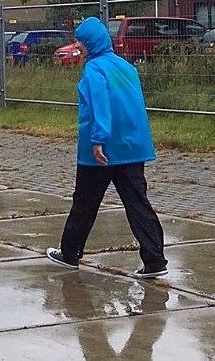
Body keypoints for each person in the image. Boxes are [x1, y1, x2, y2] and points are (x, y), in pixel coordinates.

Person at [46, 16, 168, 279]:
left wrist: (98, 139)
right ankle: (155, 259)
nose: (78, 44)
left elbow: (100, 105)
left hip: (100, 151)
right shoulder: (126, 67)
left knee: (85, 203)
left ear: (91, 41)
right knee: (137, 203)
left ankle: (69, 253)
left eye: (81, 39)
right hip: (132, 147)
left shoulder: (94, 70)